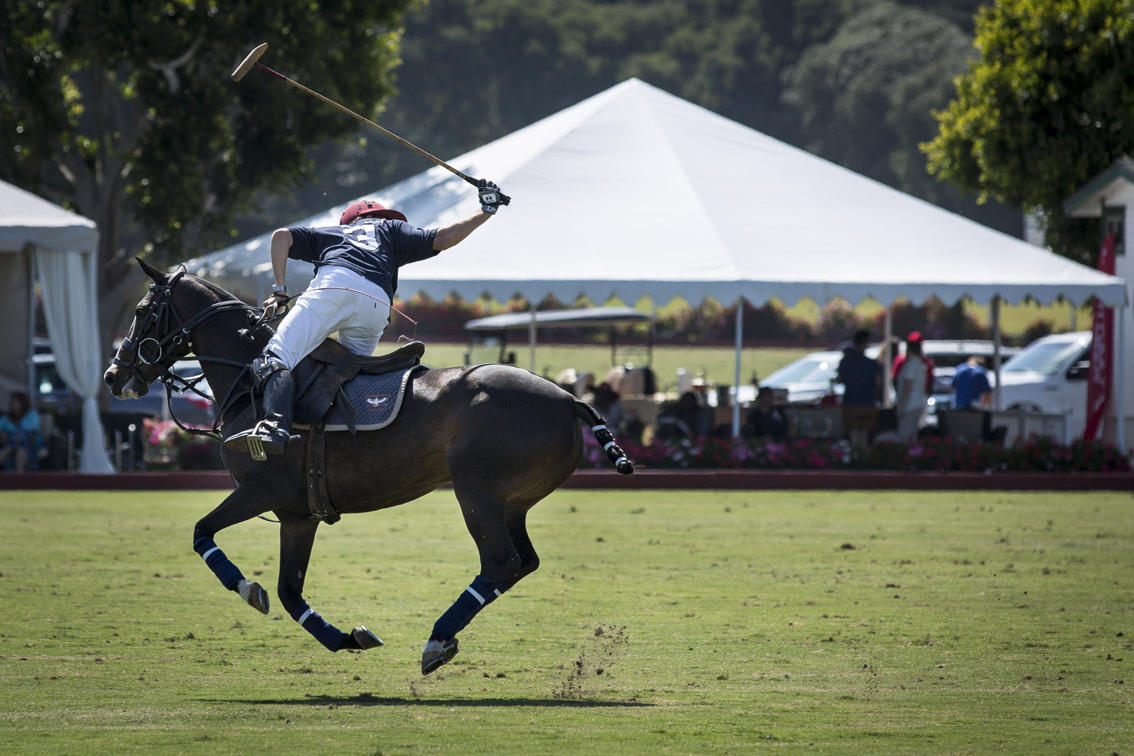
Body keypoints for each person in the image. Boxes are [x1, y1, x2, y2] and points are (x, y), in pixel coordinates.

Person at [224, 181, 508, 458]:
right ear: (381, 218)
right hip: (377, 304)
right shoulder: (392, 230)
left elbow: (281, 237)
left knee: (274, 359)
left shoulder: (335, 232)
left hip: (334, 286)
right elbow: (443, 238)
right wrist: (486, 210)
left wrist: (280, 291)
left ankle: (274, 428)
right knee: (349, 376)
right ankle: (346, 449)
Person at [836, 329, 881, 447]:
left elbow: (839, 379)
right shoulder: (871, 363)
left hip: (851, 401)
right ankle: (862, 455)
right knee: (865, 432)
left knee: (853, 431)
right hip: (867, 402)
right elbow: (878, 383)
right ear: (865, 343)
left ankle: (856, 454)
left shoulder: (845, 361)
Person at [894, 332, 929, 442]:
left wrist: (901, 407)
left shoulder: (911, 365)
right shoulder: (921, 365)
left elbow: (907, 387)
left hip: (909, 406)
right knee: (913, 438)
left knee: (903, 437)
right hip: (918, 404)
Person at [0, 392, 42, 472]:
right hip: (17, 446)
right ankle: (18, 477)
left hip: (31, 442)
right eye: (11, 402)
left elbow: (29, 430)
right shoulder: (6, 418)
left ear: (23, 403)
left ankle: (7, 450)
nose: (12, 404)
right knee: (21, 449)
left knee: (23, 436)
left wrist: (12, 437)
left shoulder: (32, 415)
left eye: (15, 402)